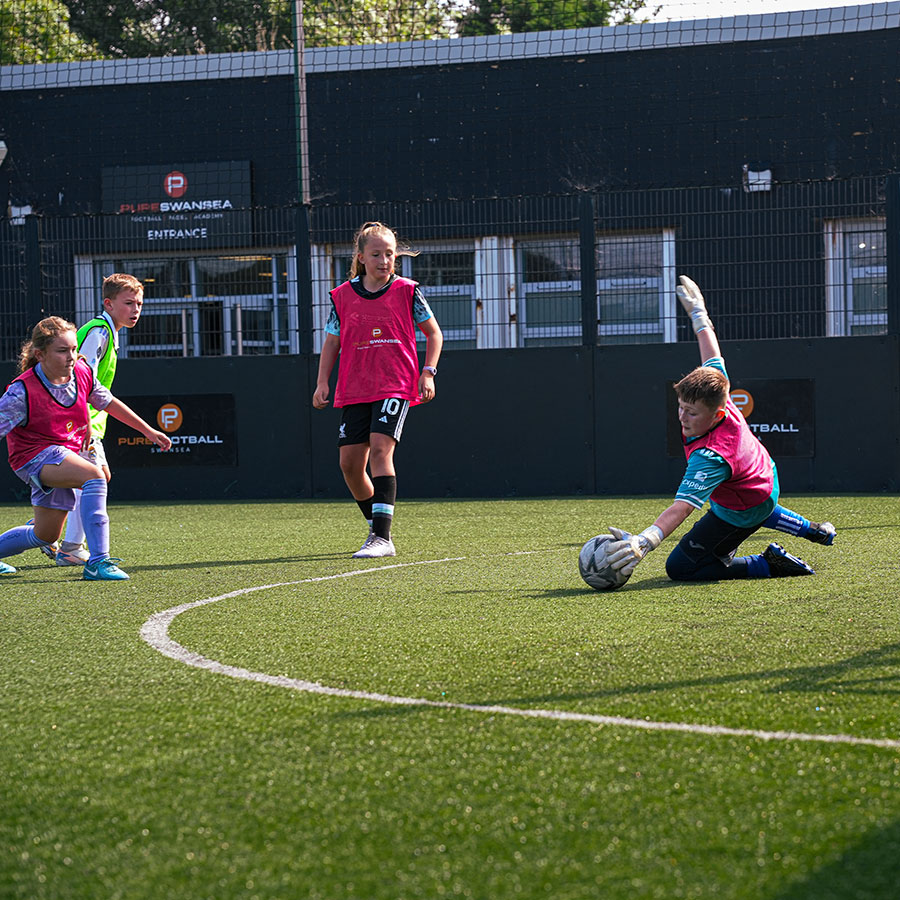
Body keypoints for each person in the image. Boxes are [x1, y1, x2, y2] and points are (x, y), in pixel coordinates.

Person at [603, 275, 835, 583]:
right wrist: (699, 314)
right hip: (762, 478)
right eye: (681, 407)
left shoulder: (710, 456)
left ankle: (768, 563)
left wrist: (644, 541)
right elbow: (712, 355)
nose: (682, 417)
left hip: (743, 507)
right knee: (747, 500)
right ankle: (813, 531)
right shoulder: (718, 391)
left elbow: (682, 508)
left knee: (682, 568)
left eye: (692, 412)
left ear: (718, 413)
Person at [0, 316, 172, 581]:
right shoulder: (20, 392)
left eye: (73, 349)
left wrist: (148, 430)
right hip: (33, 457)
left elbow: (109, 402)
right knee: (95, 476)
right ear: (40, 354)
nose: (71, 356)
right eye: (62, 350)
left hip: (64, 452)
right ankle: (98, 562)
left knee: (45, 535)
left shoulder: (81, 371)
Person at [312, 221, 443, 558]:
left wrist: (427, 373)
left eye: (390, 254)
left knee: (381, 450)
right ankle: (376, 526)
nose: (384, 260)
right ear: (361, 257)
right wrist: (322, 381)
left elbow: (434, 334)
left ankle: (382, 539)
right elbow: (332, 342)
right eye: (376, 254)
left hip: (394, 383)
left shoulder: (408, 291)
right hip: (355, 387)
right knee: (350, 464)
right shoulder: (342, 296)